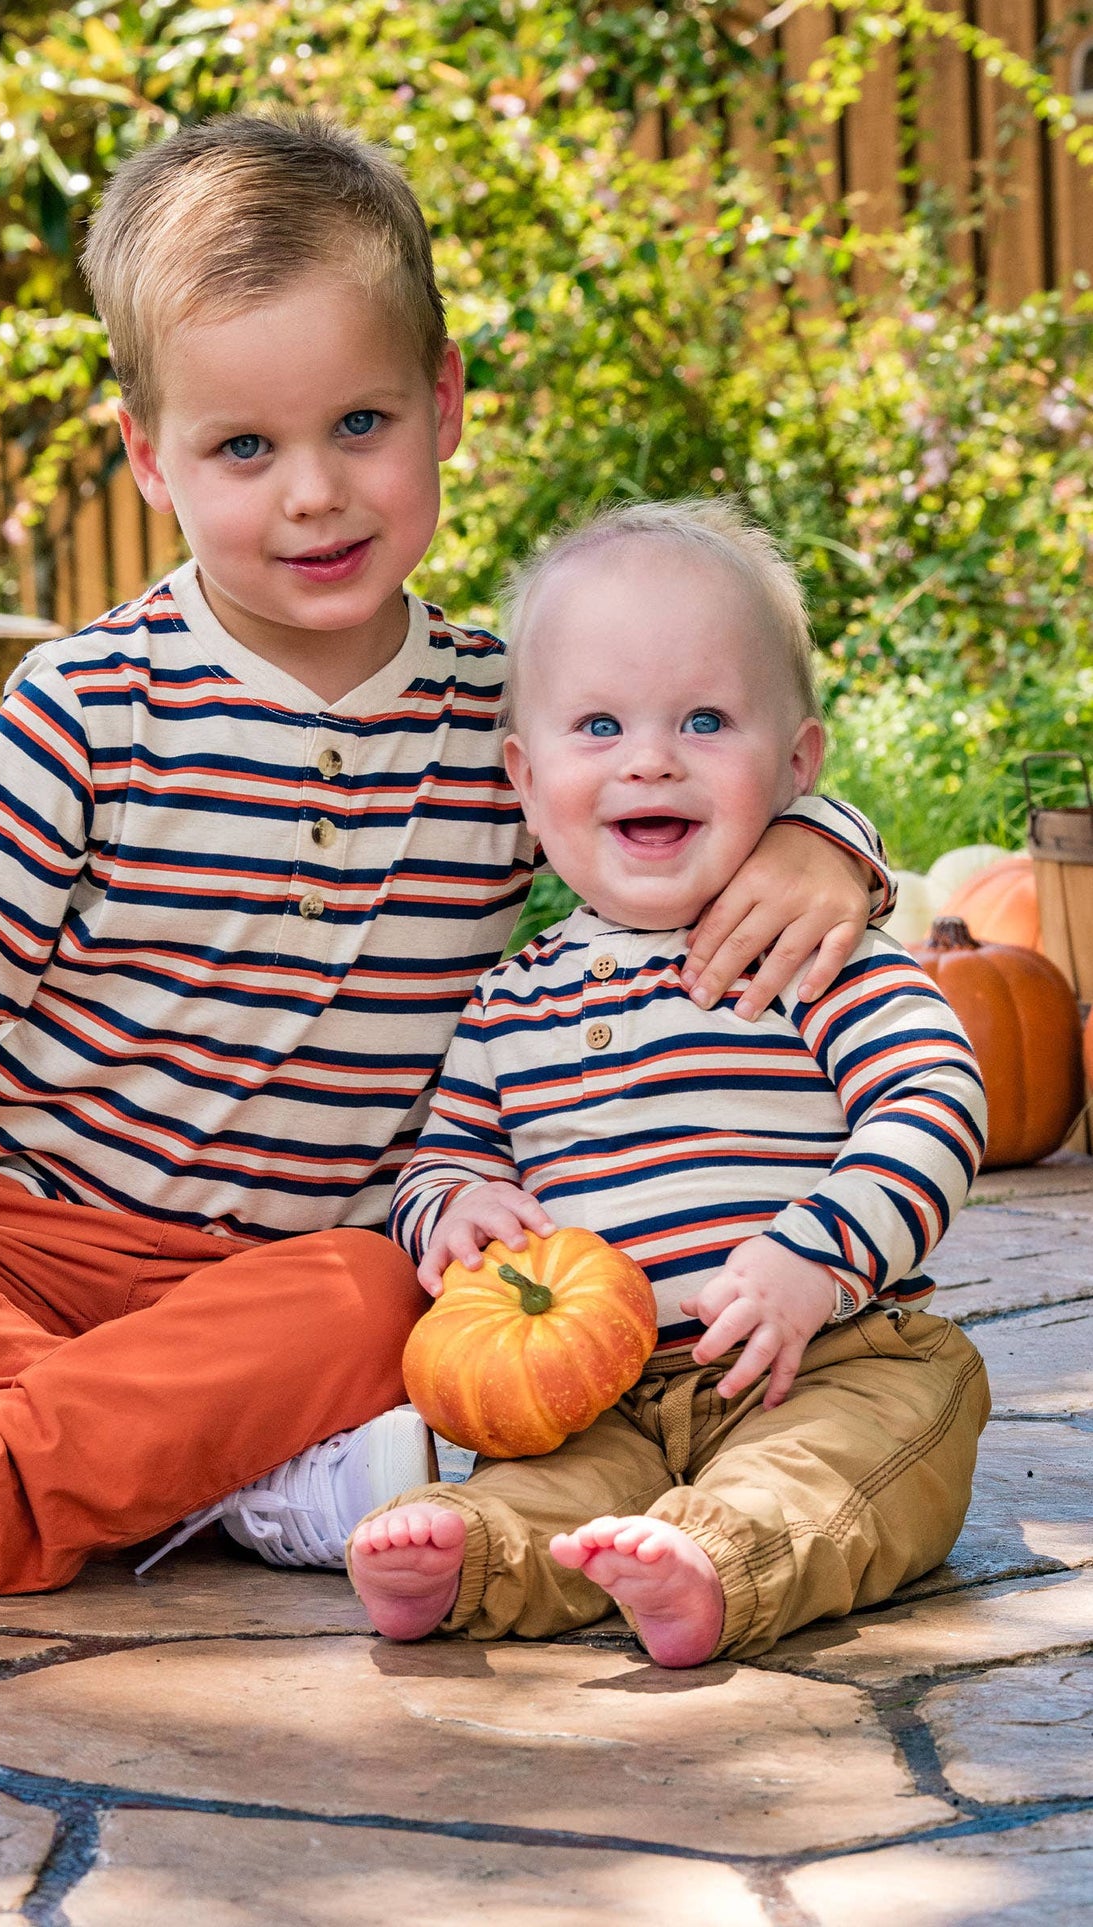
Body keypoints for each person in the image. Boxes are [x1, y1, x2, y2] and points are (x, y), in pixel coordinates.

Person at [0, 122, 892, 1611]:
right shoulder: (89, 705)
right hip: (9, 1234)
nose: (313, 492)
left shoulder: (509, 720)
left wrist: (825, 840)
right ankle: (233, 1477)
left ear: (443, 403)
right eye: (245, 447)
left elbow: (683, 795)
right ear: (149, 457)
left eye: (359, 423)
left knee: (383, 1295)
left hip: (292, 1277)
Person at [350, 498, 990, 1665]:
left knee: (845, 1463)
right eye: (598, 725)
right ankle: (466, 1558)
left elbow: (932, 1103)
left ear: (795, 763)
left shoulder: (806, 948)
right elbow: (439, 1159)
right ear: (525, 778)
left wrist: (815, 1257)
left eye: (703, 719)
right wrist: (452, 1210)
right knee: (550, 1484)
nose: (649, 757)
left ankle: (720, 1559)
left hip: (830, 1357)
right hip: (600, 1393)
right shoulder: (507, 1001)